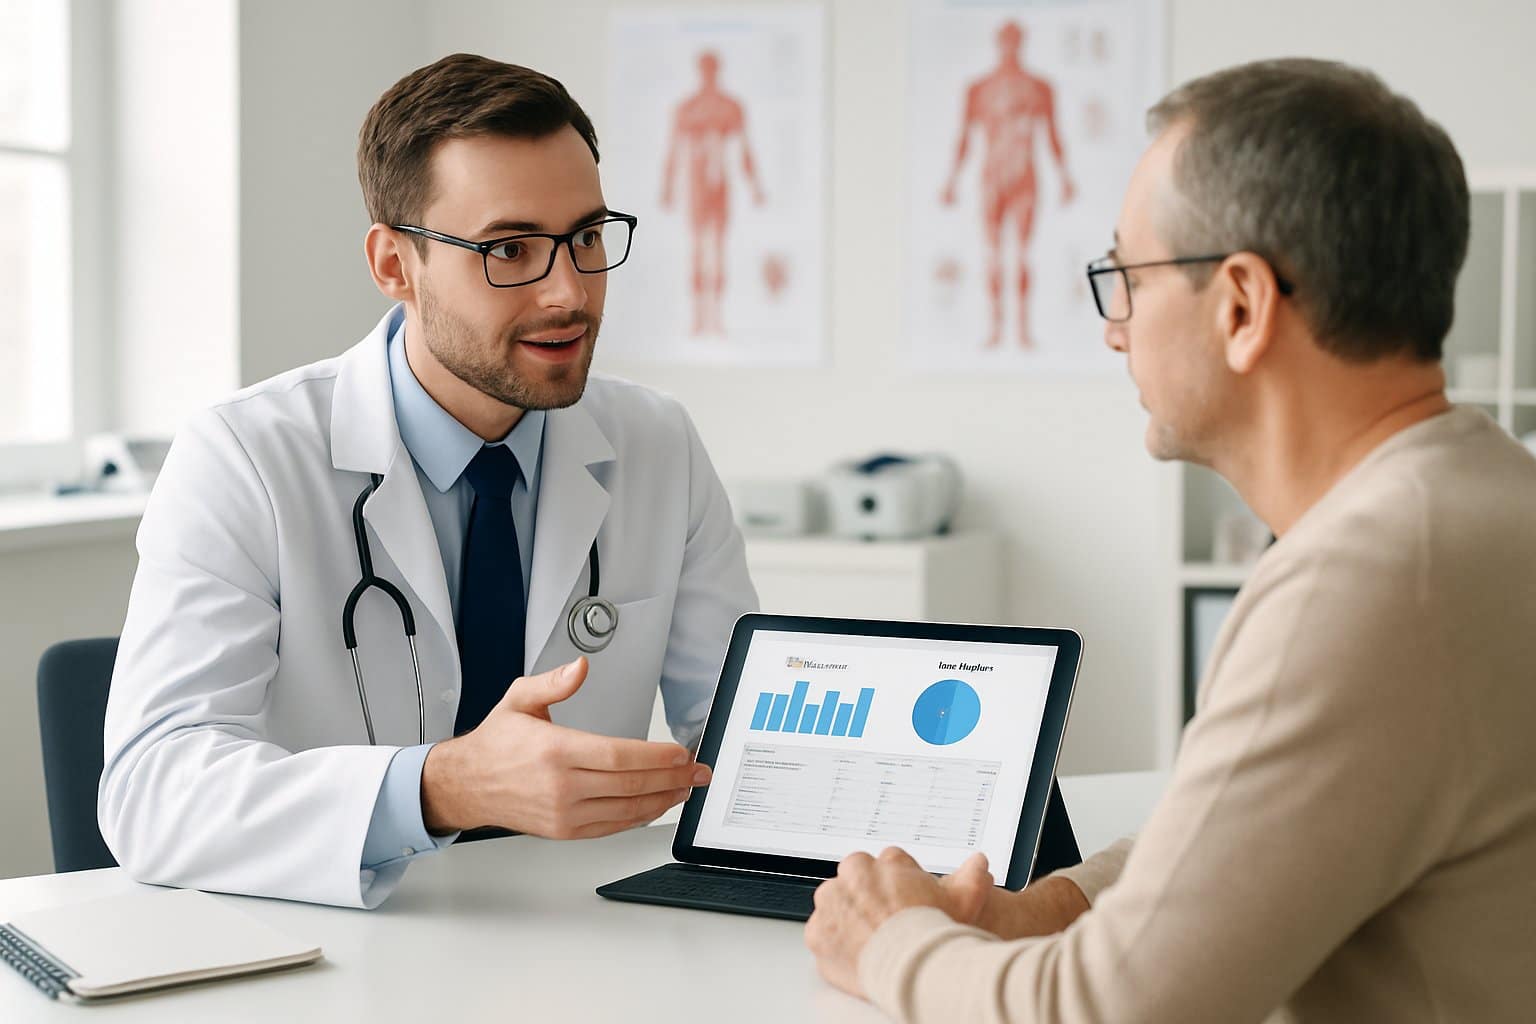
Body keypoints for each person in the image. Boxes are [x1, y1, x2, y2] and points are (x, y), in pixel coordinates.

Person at [806, 58, 1536, 1021]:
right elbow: (1265, 832)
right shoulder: (1476, 500)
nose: (1115, 333)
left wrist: (889, 940)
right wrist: (1051, 906)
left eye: (1127, 279)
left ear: (1241, 306)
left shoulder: (1374, 576)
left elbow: (1109, 1010)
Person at [98, 54, 758, 909]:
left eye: (587, 237)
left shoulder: (658, 443)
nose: (569, 292)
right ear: (393, 265)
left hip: (586, 931)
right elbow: (154, 792)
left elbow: (740, 736)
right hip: (343, 943)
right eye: (510, 249)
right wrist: (441, 788)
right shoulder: (245, 457)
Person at [941, 20, 1075, 349]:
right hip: (992, 177)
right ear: (998, 42)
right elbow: (964, 137)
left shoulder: (1039, 87)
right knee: (994, 254)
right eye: (1006, 40)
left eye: (1015, 40)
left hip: (1025, 176)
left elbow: (1053, 135)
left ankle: (1023, 329)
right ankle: (996, 328)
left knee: (1022, 255)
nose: (1010, 46)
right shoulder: (979, 88)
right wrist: (952, 181)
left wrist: (1065, 178)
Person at [659, 51, 766, 337]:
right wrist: (668, 188)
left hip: (719, 185)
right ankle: (698, 317)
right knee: (697, 247)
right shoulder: (688, 108)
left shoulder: (730, 107)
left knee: (718, 248)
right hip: (696, 185)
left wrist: (755, 187)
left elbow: (745, 149)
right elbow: (674, 150)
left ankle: (716, 317)